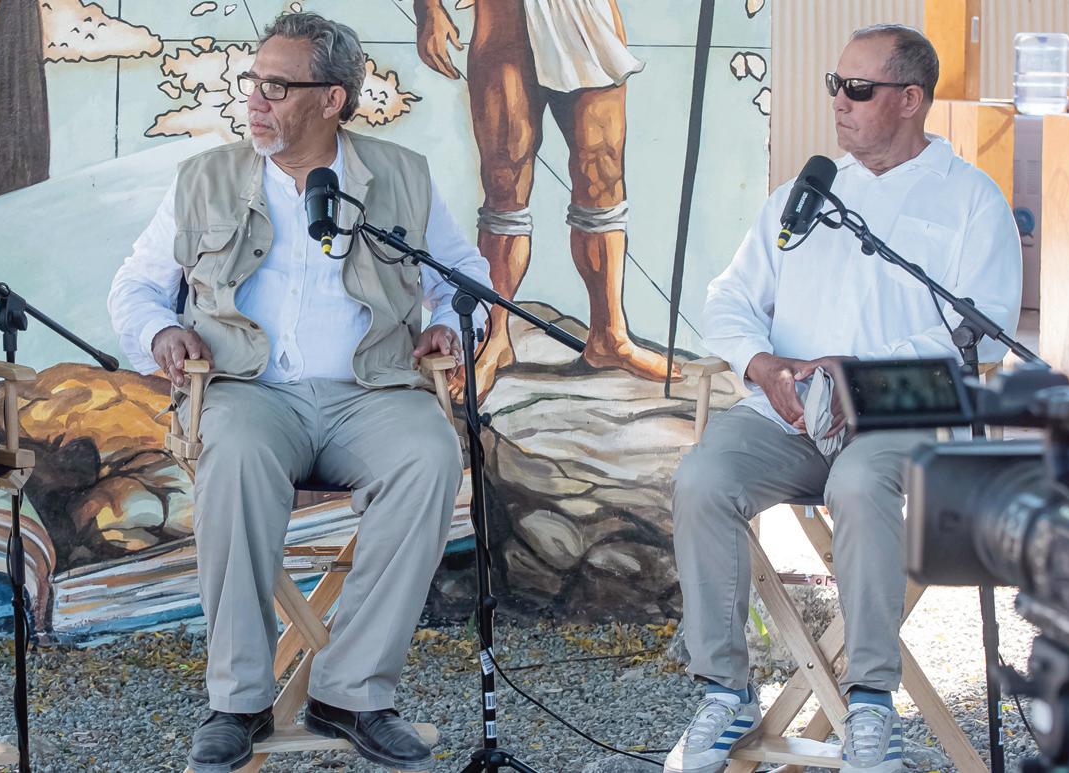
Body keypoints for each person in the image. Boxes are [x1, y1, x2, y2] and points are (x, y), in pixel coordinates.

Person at [109, 13, 491, 772]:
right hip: (249, 390)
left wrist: (450, 327)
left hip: (371, 390)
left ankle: (352, 692)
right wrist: (160, 334)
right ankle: (238, 700)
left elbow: (463, 277)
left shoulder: (402, 175)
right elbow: (136, 287)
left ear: (333, 99)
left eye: (277, 87)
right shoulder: (205, 178)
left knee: (429, 454)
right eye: (253, 82)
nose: (255, 99)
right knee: (235, 457)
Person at [665, 25, 1022, 773]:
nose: (839, 102)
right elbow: (729, 297)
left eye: (858, 89)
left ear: (911, 100)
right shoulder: (805, 195)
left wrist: (859, 371)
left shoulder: (970, 199)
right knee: (702, 478)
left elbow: (982, 334)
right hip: (789, 415)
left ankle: (870, 702)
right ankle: (725, 691)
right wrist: (761, 362)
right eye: (836, 84)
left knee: (858, 486)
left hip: (898, 419)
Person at [415, 0, 677, 395]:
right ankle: (494, 338)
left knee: (602, 170)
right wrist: (429, 8)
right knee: (505, 177)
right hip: (505, 14)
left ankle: (608, 336)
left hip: (585, 13)